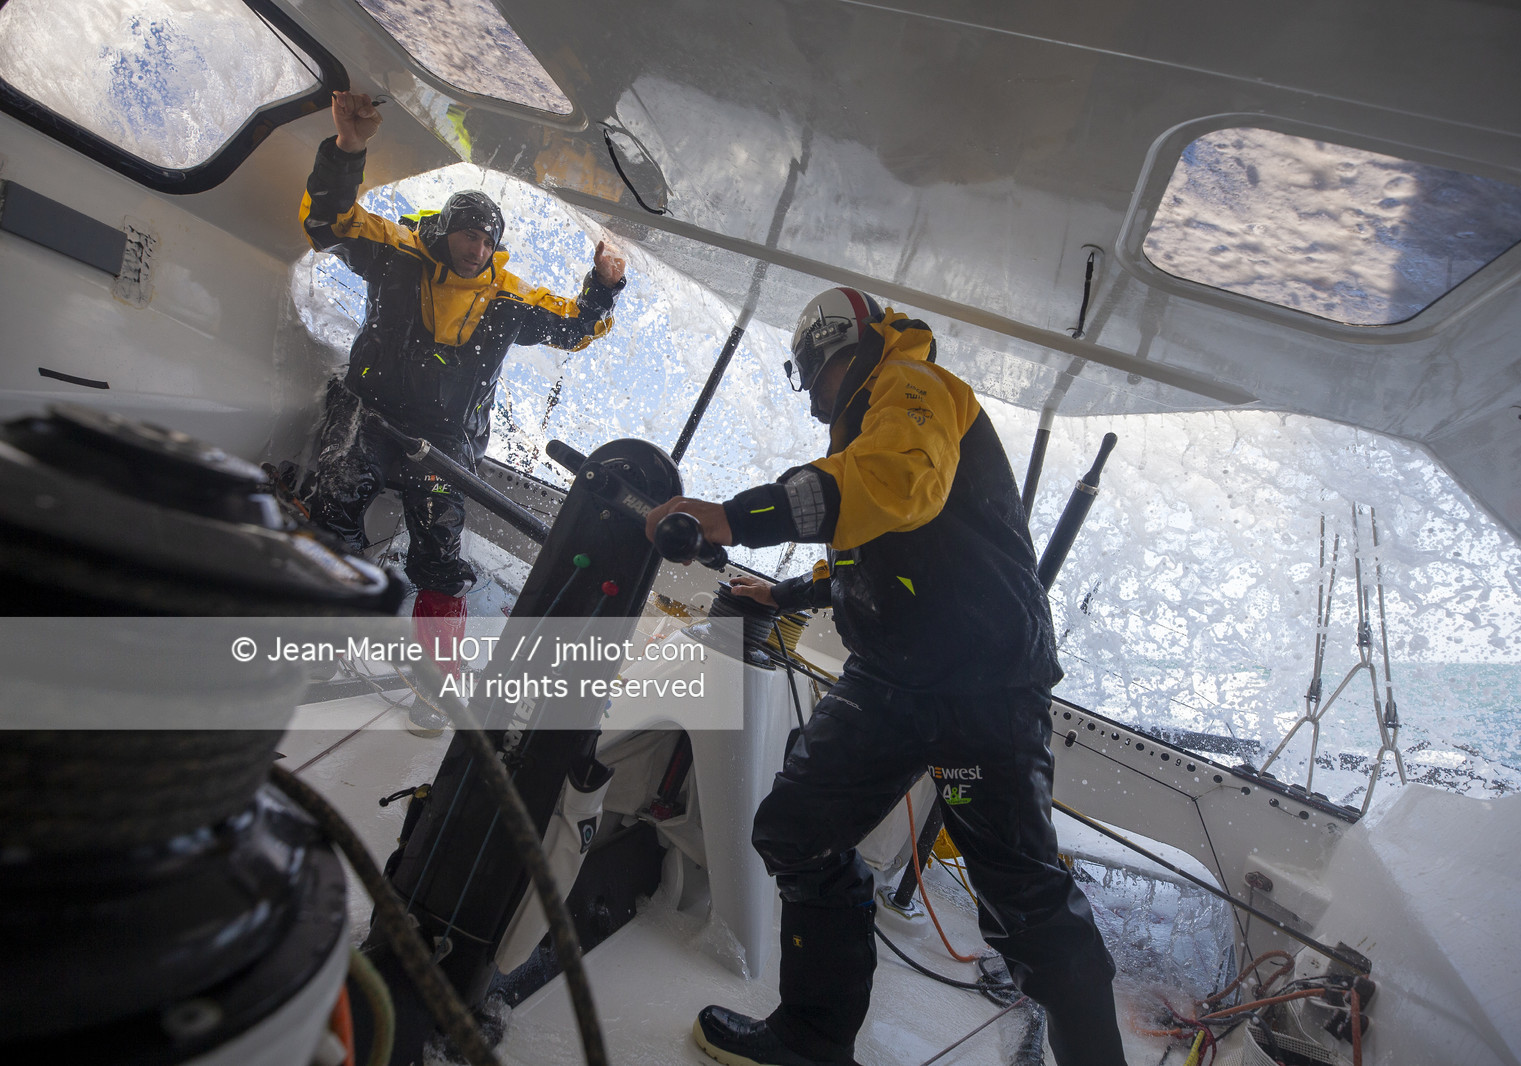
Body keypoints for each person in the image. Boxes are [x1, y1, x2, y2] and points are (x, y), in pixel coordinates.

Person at [645, 288, 1126, 1066]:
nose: (815, 387)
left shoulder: (914, 389)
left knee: (1028, 908)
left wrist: (732, 518)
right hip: (895, 677)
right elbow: (883, 553)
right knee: (797, 832)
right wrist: (792, 591)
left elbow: (896, 489)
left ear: (846, 348)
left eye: (816, 369)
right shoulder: (868, 423)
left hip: (981, 689)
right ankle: (812, 1041)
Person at [298, 91, 625, 728]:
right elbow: (328, 222)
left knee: (441, 553)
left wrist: (604, 285)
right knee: (333, 506)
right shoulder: (397, 254)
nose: (474, 248)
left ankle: (436, 679)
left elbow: (576, 328)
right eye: (466, 234)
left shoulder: (507, 299)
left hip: (445, 447)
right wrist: (349, 148)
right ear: (444, 230)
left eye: (485, 240)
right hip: (368, 418)